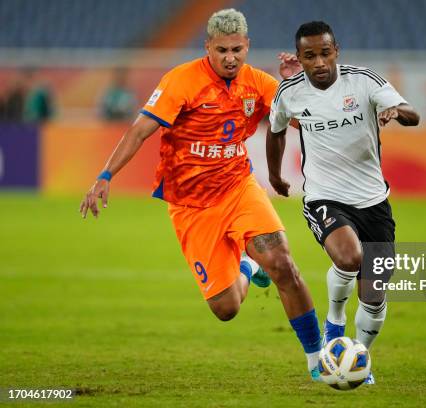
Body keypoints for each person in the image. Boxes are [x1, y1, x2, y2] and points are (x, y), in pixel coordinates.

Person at [79, 9, 322, 381]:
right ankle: (247, 266)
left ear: (247, 46)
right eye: (221, 49)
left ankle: (318, 360)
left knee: (283, 264)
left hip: (239, 187)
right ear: (207, 46)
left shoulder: (258, 82)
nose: (230, 57)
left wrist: (297, 85)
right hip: (191, 205)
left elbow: (308, 118)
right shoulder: (181, 81)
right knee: (226, 308)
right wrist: (105, 175)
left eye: (237, 49)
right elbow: (141, 129)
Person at [266, 21, 419, 385]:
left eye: (324, 53)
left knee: (374, 292)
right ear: (300, 58)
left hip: (373, 200)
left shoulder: (364, 81)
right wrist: (274, 176)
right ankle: (335, 326)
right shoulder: (289, 92)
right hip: (324, 195)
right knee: (349, 257)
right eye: (309, 55)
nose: (318, 62)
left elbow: (412, 113)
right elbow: (275, 132)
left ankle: (360, 357)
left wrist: (397, 112)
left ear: (336, 51)